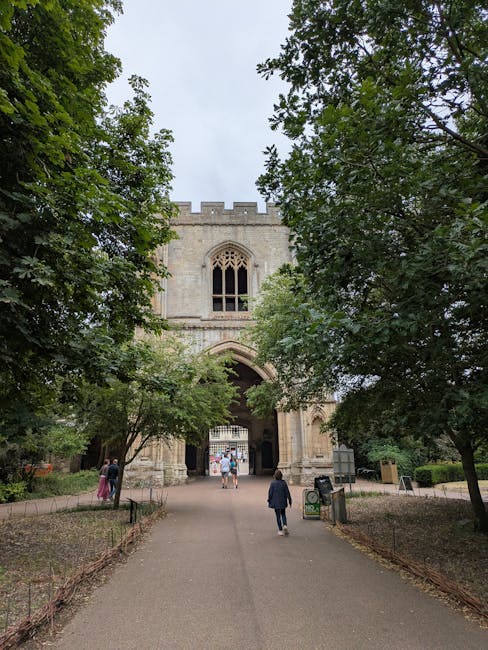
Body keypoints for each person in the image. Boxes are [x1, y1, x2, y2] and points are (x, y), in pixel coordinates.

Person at [267, 470, 292, 536]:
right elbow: (287, 492)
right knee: (283, 514)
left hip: (276, 502)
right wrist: (290, 500)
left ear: (275, 476)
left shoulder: (272, 483)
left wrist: (269, 499)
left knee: (278, 516)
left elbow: (270, 493)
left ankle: (280, 530)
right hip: (283, 501)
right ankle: (285, 525)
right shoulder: (284, 483)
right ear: (281, 476)